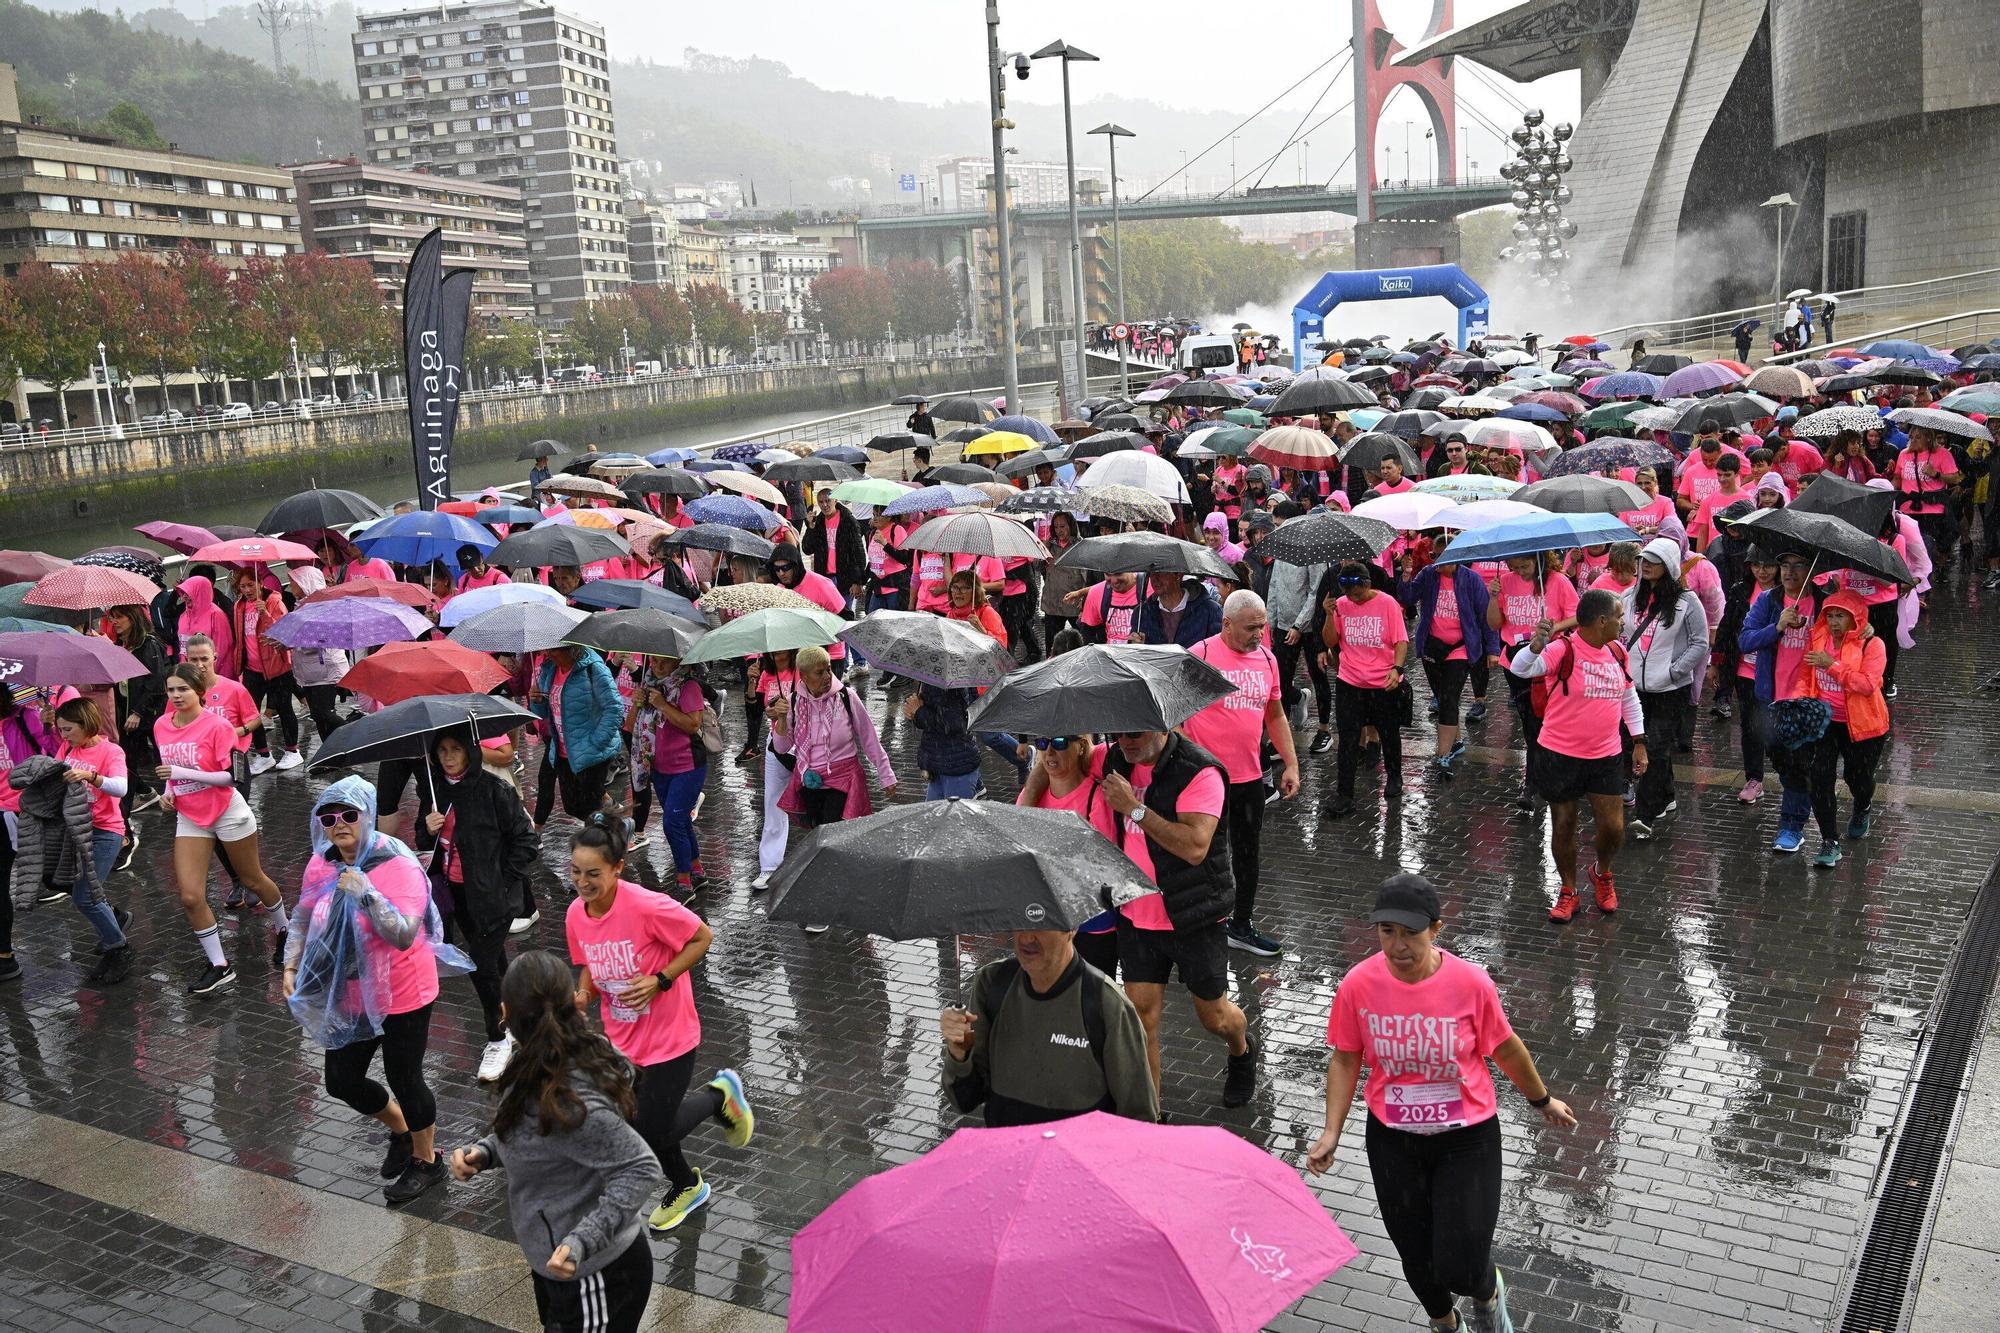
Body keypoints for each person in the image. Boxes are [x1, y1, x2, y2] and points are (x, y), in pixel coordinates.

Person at [1306, 873, 1575, 1333]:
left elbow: (1505, 1047)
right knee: (1417, 1257)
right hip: (1393, 1140)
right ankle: (1445, 1325)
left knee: (1461, 1264)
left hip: (1466, 1140)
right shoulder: (1358, 984)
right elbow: (1346, 1058)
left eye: (1410, 933)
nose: (1397, 945)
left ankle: (1488, 1293)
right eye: (1387, 931)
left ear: (1436, 929)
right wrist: (1332, 1131)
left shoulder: (1471, 983)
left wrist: (1541, 1099)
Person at [450, 951, 664, 1333]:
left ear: (504, 1012)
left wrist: (583, 1240)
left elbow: (640, 1167)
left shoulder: (570, 1099)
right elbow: (533, 1136)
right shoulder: (532, 1064)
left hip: (595, 1275)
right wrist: (486, 1152)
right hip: (557, 1265)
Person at [564, 816, 754, 1234]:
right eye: (576, 871)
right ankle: (687, 1186)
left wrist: (661, 979)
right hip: (623, 1041)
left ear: (617, 868)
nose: (582, 882)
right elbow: (590, 965)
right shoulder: (576, 914)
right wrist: (583, 995)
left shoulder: (647, 906)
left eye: (593, 873)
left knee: (646, 1133)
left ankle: (719, 1097)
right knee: (651, 1123)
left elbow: (702, 937)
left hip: (672, 1038)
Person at [282, 776, 456, 1204]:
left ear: (367, 815)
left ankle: (427, 1162)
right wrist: (291, 962)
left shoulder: (396, 863)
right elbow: (304, 915)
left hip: (402, 990)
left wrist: (367, 892)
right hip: (352, 991)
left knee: (405, 1077)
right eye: (328, 816)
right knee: (340, 1080)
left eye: (349, 815)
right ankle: (400, 1130)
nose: (338, 824)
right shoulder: (322, 861)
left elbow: (402, 934)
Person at [1100, 727, 1258, 1107]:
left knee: (1214, 1017)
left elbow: (1195, 847)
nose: (1126, 742)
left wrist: (1134, 808)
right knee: (1141, 1018)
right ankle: (1152, 1116)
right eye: (1118, 733)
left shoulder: (1200, 770)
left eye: (1135, 733)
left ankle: (1242, 1048)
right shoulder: (1115, 759)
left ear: (1162, 723)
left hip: (1193, 916)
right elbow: (1062, 757)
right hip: (1136, 913)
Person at [1509, 590, 1646, 923]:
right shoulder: (1563, 648)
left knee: (1613, 829)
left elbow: (1629, 697)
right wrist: (1536, 645)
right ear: (1602, 621)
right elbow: (1521, 668)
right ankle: (1568, 889)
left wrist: (1639, 740)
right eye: (1619, 616)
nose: (1623, 621)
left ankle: (1602, 872)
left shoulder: (1617, 651)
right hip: (1560, 755)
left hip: (1606, 756)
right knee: (1564, 826)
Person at [153, 662, 287, 994]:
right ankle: (219, 965)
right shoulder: (160, 725)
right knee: (189, 895)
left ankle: (285, 929)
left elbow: (232, 777)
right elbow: (169, 773)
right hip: (190, 815)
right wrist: (168, 795)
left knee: (252, 879)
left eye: (183, 689)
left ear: (199, 691)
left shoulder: (218, 726)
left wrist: (183, 772)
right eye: (171, 690)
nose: (176, 695)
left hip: (228, 810)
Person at [942, 926, 1158, 1127]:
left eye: (1041, 924)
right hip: (1007, 1161)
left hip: (1079, 1164)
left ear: (1071, 929)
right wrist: (958, 1053)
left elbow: (1138, 1121)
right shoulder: (992, 984)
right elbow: (964, 1100)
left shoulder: (1105, 1003)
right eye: (1021, 922)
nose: (1027, 938)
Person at [418, 728, 540, 1083]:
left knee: (481, 965)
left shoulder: (494, 790)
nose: (448, 757)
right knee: (493, 961)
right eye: (442, 750)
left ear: (471, 751)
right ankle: (516, 1019)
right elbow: (425, 838)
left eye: (456, 749)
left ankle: (498, 1037)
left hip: (493, 899)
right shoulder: (436, 789)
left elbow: (526, 841)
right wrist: (428, 828)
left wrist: (501, 883)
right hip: (455, 894)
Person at [1181, 591, 1298, 959]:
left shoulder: (1266, 658)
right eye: (1251, 628)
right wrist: (1195, 762)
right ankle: (1198, 925)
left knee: (1248, 854)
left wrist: (1291, 763)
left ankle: (1242, 925)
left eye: (1262, 626)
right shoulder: (1199, 655)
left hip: (1248, 777)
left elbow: (1275, 714)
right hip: (1204, 780)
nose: (1259, 635)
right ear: (1226, 624)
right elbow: (1175, 717)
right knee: (1203, 854)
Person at [769, 646, 895, 931]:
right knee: (819, 837)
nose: (827, 675)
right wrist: (779, 719)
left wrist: (885, 773)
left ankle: (824, 905)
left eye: (828, 668)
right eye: (819, 671)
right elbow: (782, 747)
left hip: (843, 777)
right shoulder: (793, 701)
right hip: (809, 779)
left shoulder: (845, 697)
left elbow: (869, 737)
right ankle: (846, 884)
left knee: (827, 836)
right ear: (803, 675)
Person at [1017, 731, 1134, 977]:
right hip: (1048, 917)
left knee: (1094, 1000)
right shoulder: (1029, 797)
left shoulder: (1098, 797)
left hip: (1092, 920)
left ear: (1081, 747)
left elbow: (1104, 863)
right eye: (1042, 743)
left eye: (1059, 742)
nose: (1049, 751)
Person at [1622, 539, 1710, 841]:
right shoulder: (1629, 598)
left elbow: (1700, 642)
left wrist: (1675, 671)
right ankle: (1667, 793)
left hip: (1670, 690)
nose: (1645, 565)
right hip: (1634, 689)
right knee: (1640, 747)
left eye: (1654, 560)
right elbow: (1621, 635)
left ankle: (1645, 816)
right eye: (1643, 559)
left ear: (1670, 566)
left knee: (1656, 748)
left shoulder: (1688, 601)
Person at [1797, 589, 1889, 868]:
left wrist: (1833, 665)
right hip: (1825, 722)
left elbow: (1866, 684)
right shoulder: (1818, 637)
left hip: (1863, 726)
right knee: (1819, 777)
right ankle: (1829, 841)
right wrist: (1803, 700)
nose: (1835, 622)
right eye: (1831, 615)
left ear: (1855, 618)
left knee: (1857, 777)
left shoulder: (1872, 644)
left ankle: (1862, 807)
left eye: (1842, 616)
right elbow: (1805, 673)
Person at [1397, 539, 1500, 778]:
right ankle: (1456, 740)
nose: (1438, 562)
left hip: (1460, 647)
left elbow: (1486, 618)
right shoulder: (1428, 575)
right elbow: (1408, 598)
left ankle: (1443, 755)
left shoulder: (1471, 580)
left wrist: (1493, 649)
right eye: (1434, 556)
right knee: (1442, 698)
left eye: (1444, 557)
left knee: (1449, 698)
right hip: (1432, 646)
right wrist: (1406, 575)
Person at [48, 698, 135, 983]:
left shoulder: (111, 751)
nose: (64, 735)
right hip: (76, 829)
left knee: (85, 896)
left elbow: (121, 787)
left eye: (68, 729)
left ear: (86, 725)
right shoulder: (68, 747)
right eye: (60, 729)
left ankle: (118, 947)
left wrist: (91, 776)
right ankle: (116, 921)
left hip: (105, 831)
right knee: (72, 886)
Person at [1318, 559, 1409, 818]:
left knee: (1389, 733)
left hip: (1383, 682)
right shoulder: (1341, 605)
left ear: (1367, 584)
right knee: (1347, 739)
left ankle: (1394, 776)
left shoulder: (1387, 603)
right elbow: (1331, 640)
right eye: (1348, 593)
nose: (1352, 598)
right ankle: (1344, 794)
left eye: (1357, 593)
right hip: (1350, 681)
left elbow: (1401, 641)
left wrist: (1397, 669)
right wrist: (1328, 614)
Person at [637, 657, 710, 894]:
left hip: (688, 767)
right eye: (654, 662)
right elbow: (630, 727)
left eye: (663, 663)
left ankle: (683, 880)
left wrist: (663, 705)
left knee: (672, 823)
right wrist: (638, 703)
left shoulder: (688, 686)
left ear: (677, 662)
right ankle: (696, 868)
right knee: (681, 820)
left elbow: (692, 724)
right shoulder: (648, 686)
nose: (657, 667)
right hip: (660, 768)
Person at [530, 644, 624, 829]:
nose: (548, 654)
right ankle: (619, 823)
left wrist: (597, 742)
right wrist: (537, 701)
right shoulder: (550, 669)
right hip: (562, 750)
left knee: (589, 809)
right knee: (572, 807)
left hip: (591, 752)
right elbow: (545, 712)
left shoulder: (593, 667)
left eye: (554, 650)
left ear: (570, 649)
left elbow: (614, 708)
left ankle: (599, 849)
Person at [105, 603, 167, 861]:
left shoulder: (148, 645)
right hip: (128, 717)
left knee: (163, 759)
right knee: (128, 766)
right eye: (113, 618)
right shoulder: (122, 646)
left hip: (147, 716)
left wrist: (139, 712)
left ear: (132, 619)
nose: (115, 622)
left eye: (119, 618)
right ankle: (124, 820)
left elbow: (155, 682)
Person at [230, 567, 302, 774]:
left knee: (284, 706)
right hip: (252, 668)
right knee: (250, 712)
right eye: (243, 586)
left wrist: (266, 614)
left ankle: (293, 751)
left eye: (250, 585)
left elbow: (284, 633)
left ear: (260, 583)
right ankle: (264, 755)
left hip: (276, 665)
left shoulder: (274, 601)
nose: (247, 590)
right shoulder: (239, 605)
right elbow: (241, 637)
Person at [747, 649, 797, 891]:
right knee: (773, 803)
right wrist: (751, 681)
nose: (777, 651)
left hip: (806, 745)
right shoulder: (766, 674)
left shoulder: (802, 671)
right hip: (776, 744)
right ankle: (769, 865)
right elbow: (756, 710)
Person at [905, 683, 982, 800]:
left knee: (951, 817)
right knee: (935, 817)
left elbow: (953, 724)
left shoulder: (941, 684)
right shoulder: (944, 678)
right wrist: (916, 713)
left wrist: (918, 712)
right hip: (940, 763)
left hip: (955, 766)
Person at [801, 491, 867, 605]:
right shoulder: (819, 522)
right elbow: (807, 549)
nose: (825, 505)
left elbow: (859, 553)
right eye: (821, 502)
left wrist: (858, 581)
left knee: (845, 618)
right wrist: (810, 527)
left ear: (835, 500)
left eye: (828, 501)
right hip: (824, 578)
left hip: (844, 578)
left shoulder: (848, 521)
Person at [1135, 570, 1222, 649]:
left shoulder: (1210, 610)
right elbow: (1137, 657)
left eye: (1162, 573)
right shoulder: (1142, 613)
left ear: (1179, 575)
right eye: (1152, 573)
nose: (1155, 578)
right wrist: (1135, 646)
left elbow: (1218, 649)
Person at [1074, 570, 1142, 645]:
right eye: (1108, 574)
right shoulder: (1096, 592)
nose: (1114, 581)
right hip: (1108, 654)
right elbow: (1087, 636)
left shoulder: (1150, 586)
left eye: (1118, 573)